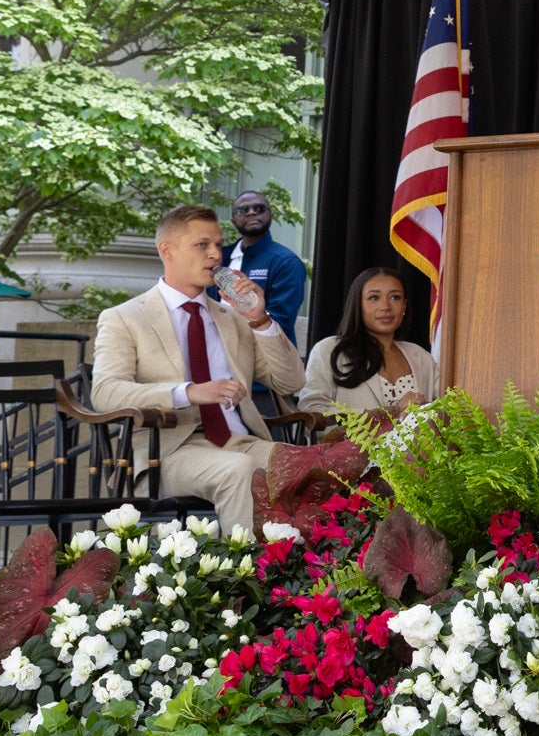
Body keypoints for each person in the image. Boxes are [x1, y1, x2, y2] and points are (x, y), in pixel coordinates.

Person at [92, 203, 304, 535]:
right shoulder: (124, 317)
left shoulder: (232, 317)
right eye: (202, 245)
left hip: (239, 440)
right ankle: (245, 581)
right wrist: (187, 392)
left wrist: (260, 319)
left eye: (219, 245)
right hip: (167, 453)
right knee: (238, 470)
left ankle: (309, 578)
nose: (215, 255)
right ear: (167, 250)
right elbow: (105, 393)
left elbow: (291, 380)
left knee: (311, 466)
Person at [301, 266, 440, 416]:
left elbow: (450, 409)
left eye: (395, 297)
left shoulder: (420, 356)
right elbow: (311, 410)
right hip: (350, 440)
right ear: (358, 305)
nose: (385, 307)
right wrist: (388, 414)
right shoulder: (328, 350)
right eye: (374, 298)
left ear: (404, 306)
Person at [224, 191, 307, 343]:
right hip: (220, 352)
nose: (251, 213)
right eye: (243, 210)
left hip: (267, 357)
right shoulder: (220, 258)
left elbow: (281, 321)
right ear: (233, 221)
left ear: (270, 215)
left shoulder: (286, 261)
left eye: (259, 209)